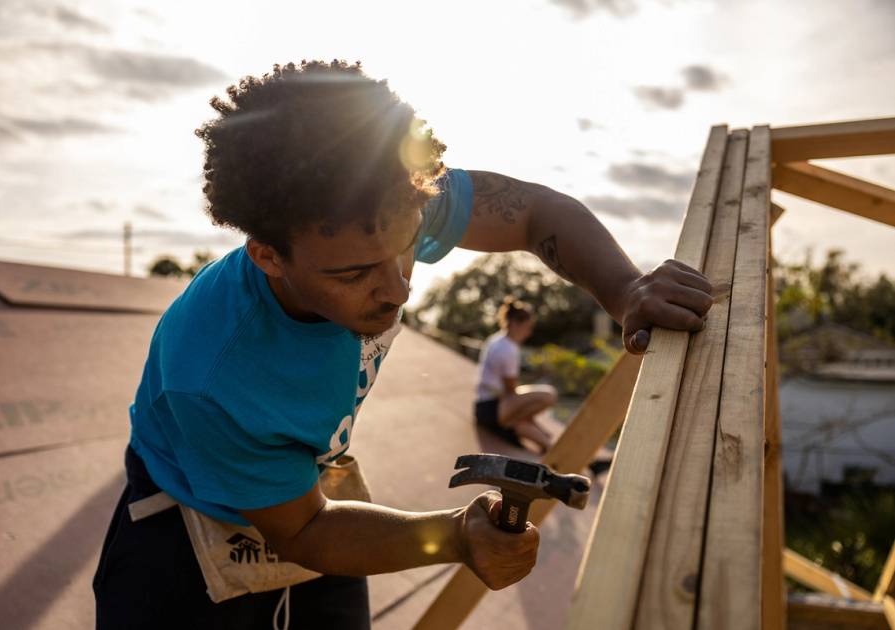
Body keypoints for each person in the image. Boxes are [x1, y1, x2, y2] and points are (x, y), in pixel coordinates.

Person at [93, 59, 714, 629]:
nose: (397, 291)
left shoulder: (385, 205)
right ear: (268, 256)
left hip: (300, 493)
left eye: (407, 248)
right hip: (181, 537)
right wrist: (454, 536)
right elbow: (306, 528)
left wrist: (625, 286)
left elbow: (534, 215)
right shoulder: (214, 374)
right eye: (353, 274)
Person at [475, 298, 555, 453]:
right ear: (515, 324)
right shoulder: (508, 349)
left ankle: (541, 439)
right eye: (527, 327)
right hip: (493, 408)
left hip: (484, 407)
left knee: (535, 428)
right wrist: (526, 415)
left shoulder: (497, 340)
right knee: (549, 395)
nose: (529, 332)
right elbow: (511, 390)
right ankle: (548, 446)